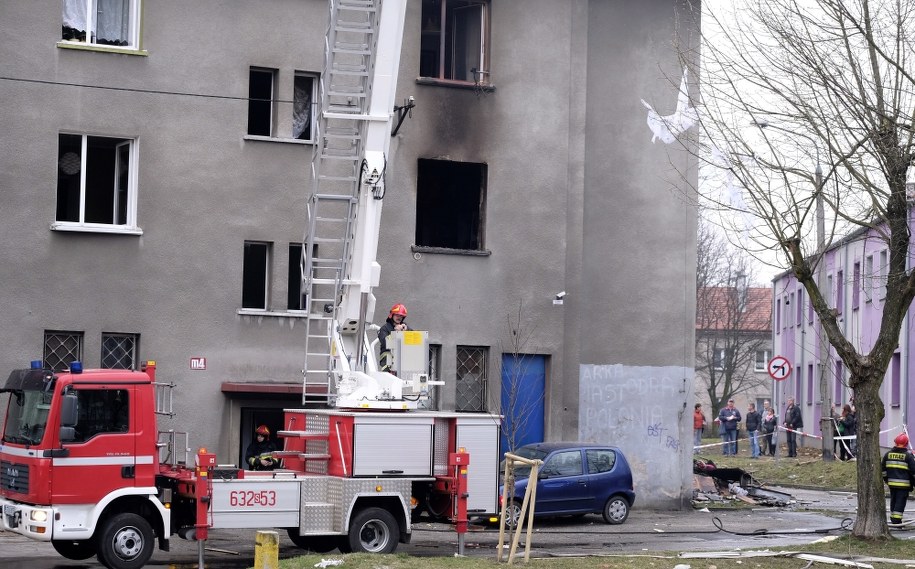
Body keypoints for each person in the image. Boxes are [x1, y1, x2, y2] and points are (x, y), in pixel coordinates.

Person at [881, 433, 915, 525]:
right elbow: (913, 471)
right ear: (906, 443)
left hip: (891, 484)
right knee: (900, 503)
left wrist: (886, 480)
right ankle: (896, 521)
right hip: (903, 486)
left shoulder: (887, 454)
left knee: (894, 501)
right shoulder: (908, 456)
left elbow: (883, 469)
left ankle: (894, 518)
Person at [378, 303, 410, 373]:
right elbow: (385, 342)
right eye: (397, 315)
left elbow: (414, 338)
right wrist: (395, 332)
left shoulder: (405, 327)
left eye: (401, 316)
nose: (399, 317)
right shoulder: (384, 328)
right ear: (392, 315)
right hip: (387, 358)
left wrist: (406, 332)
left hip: (402, 358)